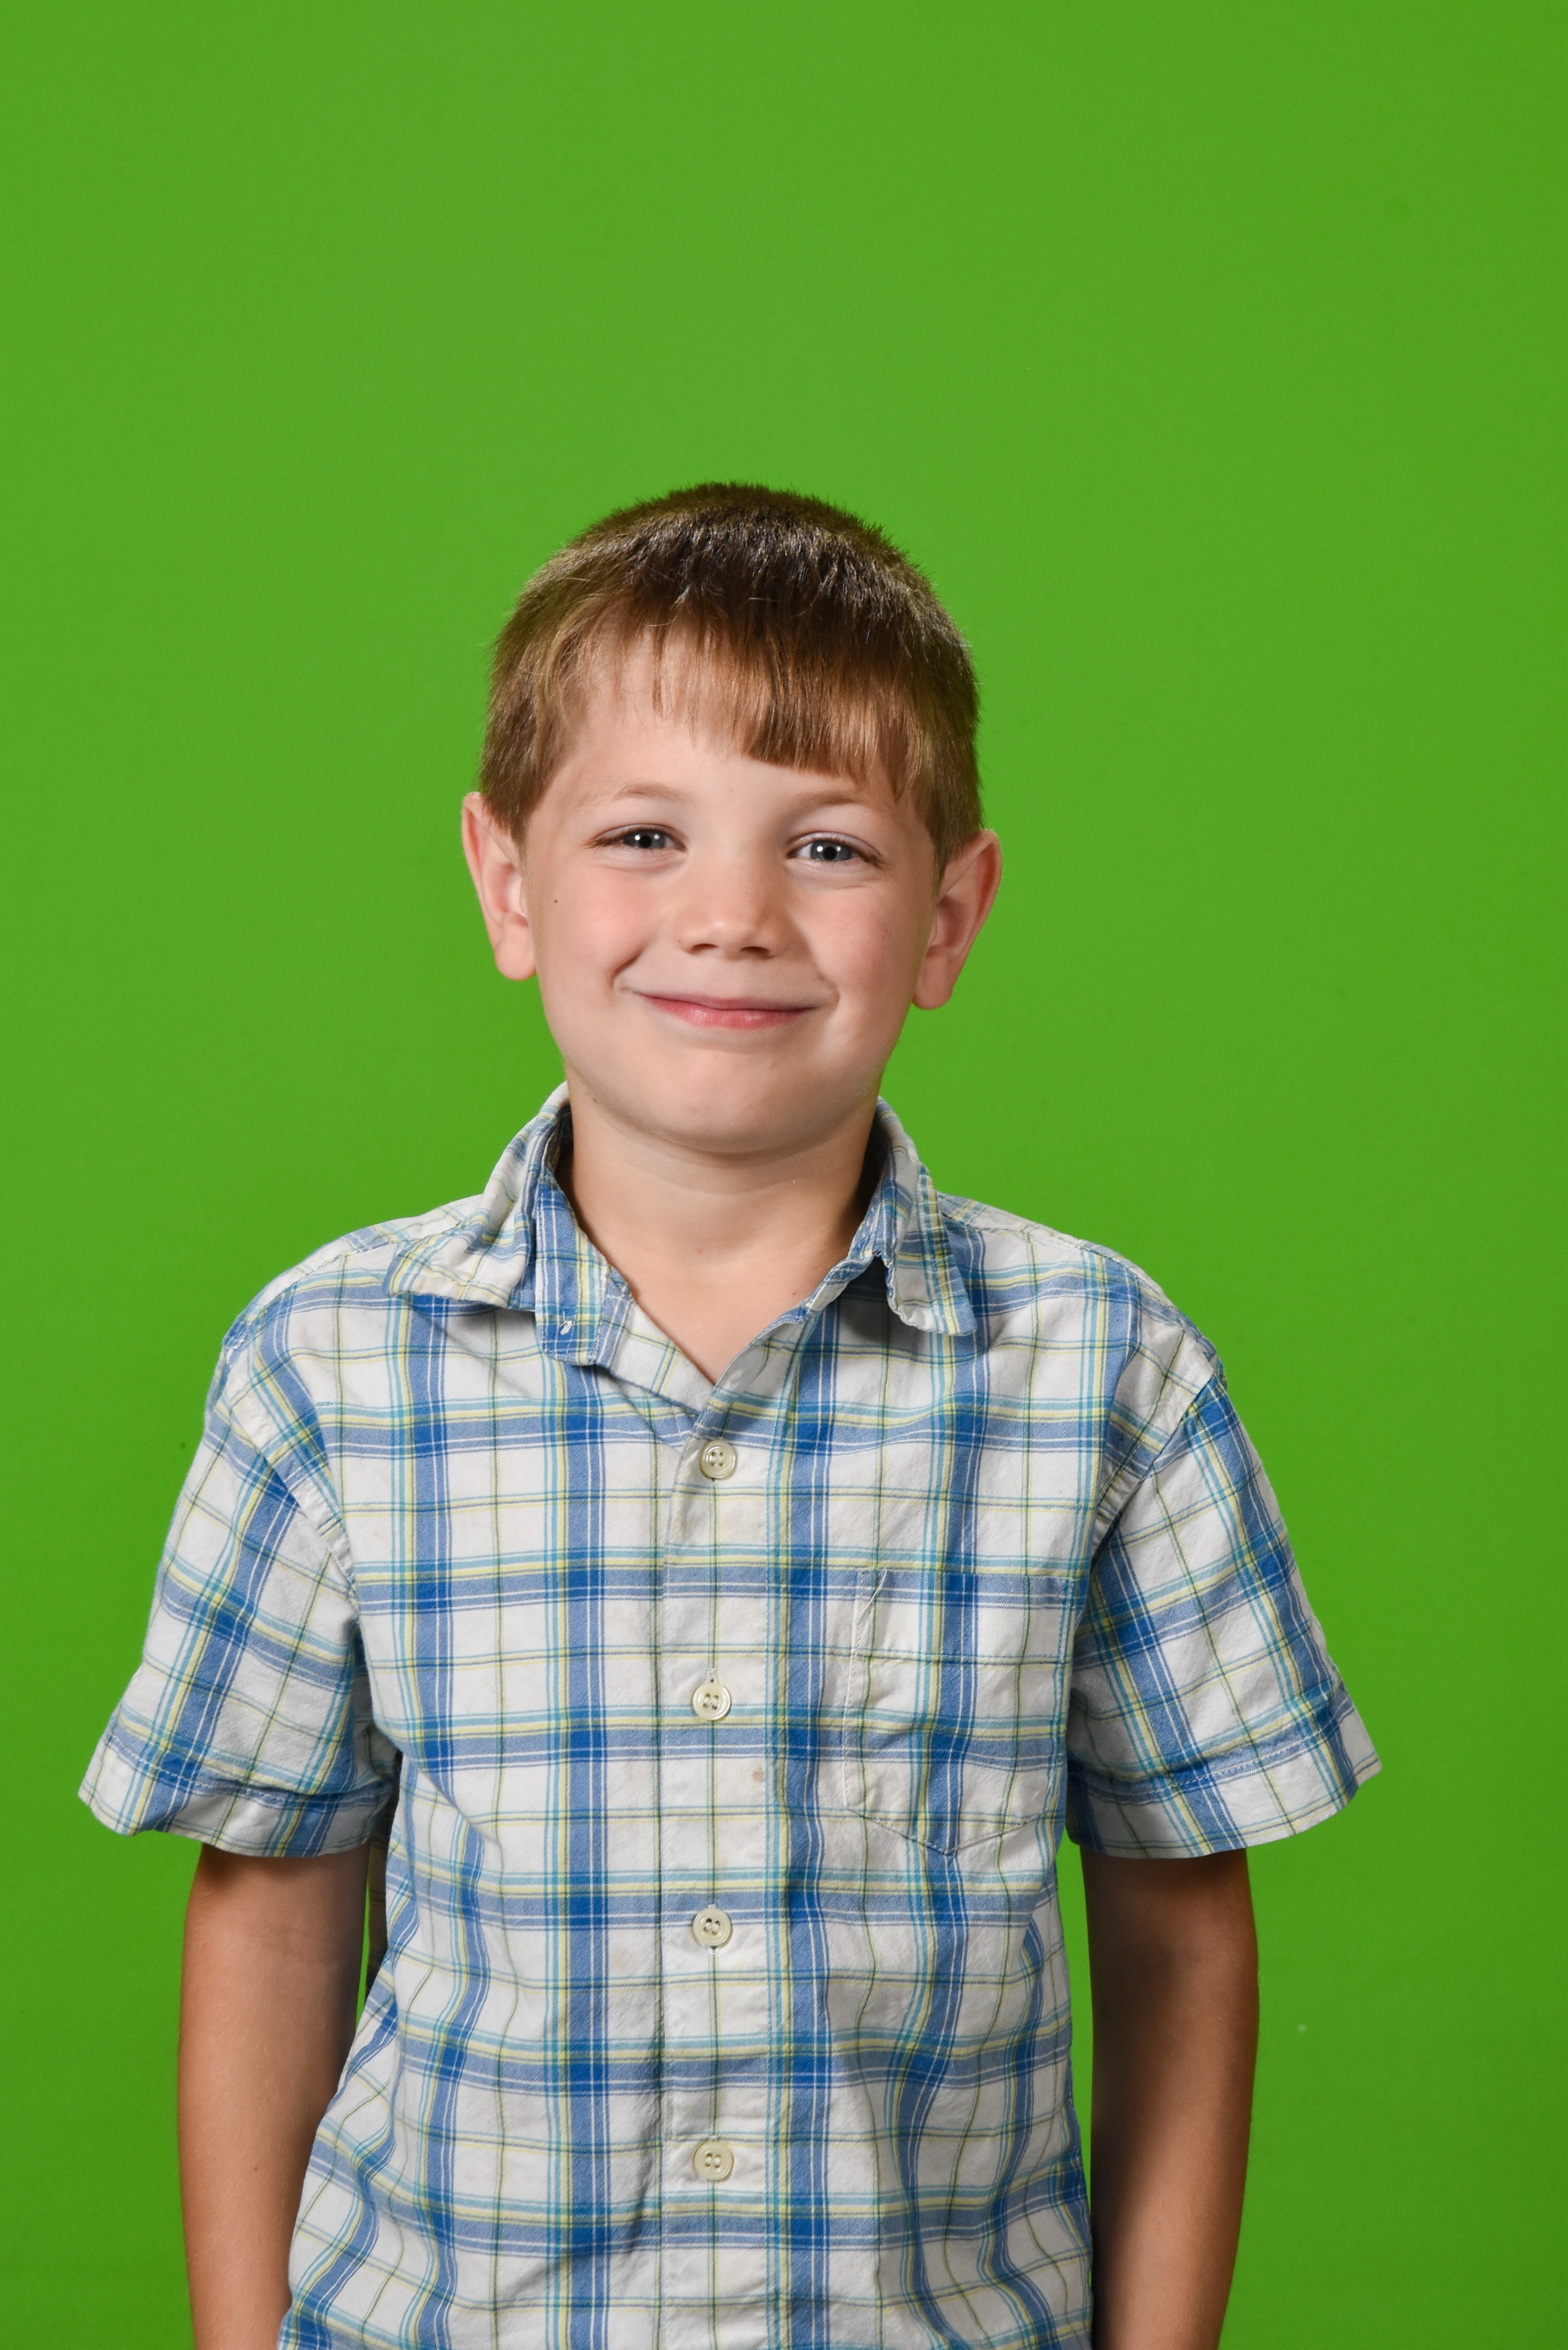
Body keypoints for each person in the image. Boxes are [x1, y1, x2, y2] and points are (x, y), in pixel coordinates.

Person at [82, 485, 1378, 2350]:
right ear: (508, 882)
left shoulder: (1107, 1371)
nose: (732, 917)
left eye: (828, 848)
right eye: (643, 834)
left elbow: (1180, 1937)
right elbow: (274, 1912)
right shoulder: (329, 1363)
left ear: (950, 914)